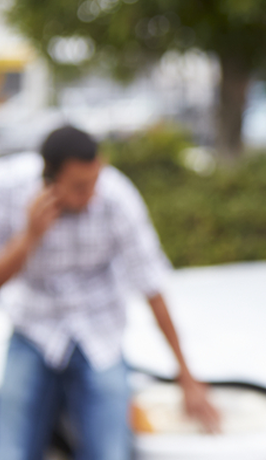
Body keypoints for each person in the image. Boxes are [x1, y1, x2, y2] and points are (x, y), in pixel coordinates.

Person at [0, 126, 220, 460]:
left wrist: (186, 376)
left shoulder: (117, 198)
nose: (91, 194)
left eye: (94, 181)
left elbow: (151, 284)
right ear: (48, 180)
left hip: (98, 332)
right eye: (78, 187)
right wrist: (30, 236)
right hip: (34, 328)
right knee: (9, 449)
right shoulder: (10, 188)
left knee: (111, 451)